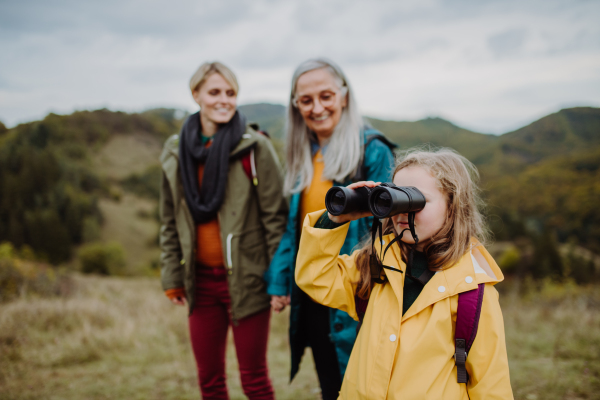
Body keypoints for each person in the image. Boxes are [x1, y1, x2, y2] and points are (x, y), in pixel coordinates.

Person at [294, 148, 514, 399]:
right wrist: (334, 219)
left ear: (452, 206)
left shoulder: (472, 291)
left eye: (416, 199)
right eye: (395, 197)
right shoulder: (374, 266)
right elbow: (314, 278)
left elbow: (490, 384)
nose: (402, 211)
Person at [264, 58, 396, 400]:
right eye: (306, 100)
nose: (317, 107)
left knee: (362, 384)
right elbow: (294, 230)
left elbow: (389, 228)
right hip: (313, 287)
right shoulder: (303, 155)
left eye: (326, 96)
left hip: (355, 290)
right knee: (329, 382)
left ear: (344, 96)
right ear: (296, 106)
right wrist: (281, 280)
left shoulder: (373, 149)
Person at [159, 61, 288, 400]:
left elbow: (276, 219)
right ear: (196, 94)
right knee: (210, 381)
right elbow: (170, 219)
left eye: (231, 93)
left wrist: (278, 279)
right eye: (215, 92)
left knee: (254, 380)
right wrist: (172, 276)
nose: (224, 100)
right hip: (199, 283)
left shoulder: (255, 147)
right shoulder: (174, 151)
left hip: (248, 280)